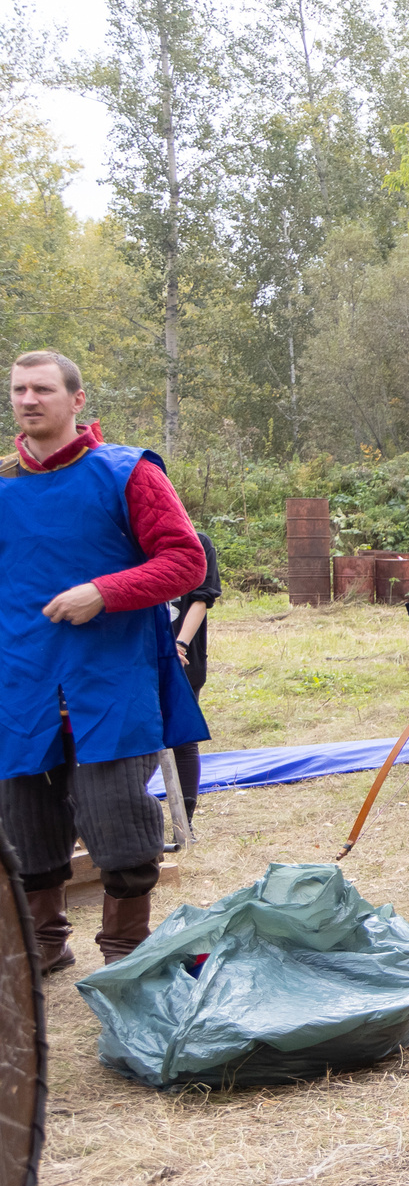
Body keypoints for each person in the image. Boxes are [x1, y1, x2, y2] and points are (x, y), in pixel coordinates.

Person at [0, 349, 208, 974]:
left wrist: (105, 591)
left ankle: (125, 948)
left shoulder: (127, 472)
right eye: (18, 391)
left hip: (109, 673)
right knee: (24, 816)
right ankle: (42, 943)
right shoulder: (3, 485)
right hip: (21, 677)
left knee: (115, 813)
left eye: (42, 389)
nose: (29, 400)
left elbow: (185, 561)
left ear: (76, 400)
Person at [166, 528, 221, 830]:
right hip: (140, 655)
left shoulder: (198, 543)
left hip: (185, 655)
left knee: (184, 739)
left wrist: (180, 644)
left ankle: (184, 823)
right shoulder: (131, 541)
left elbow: (201, 599)